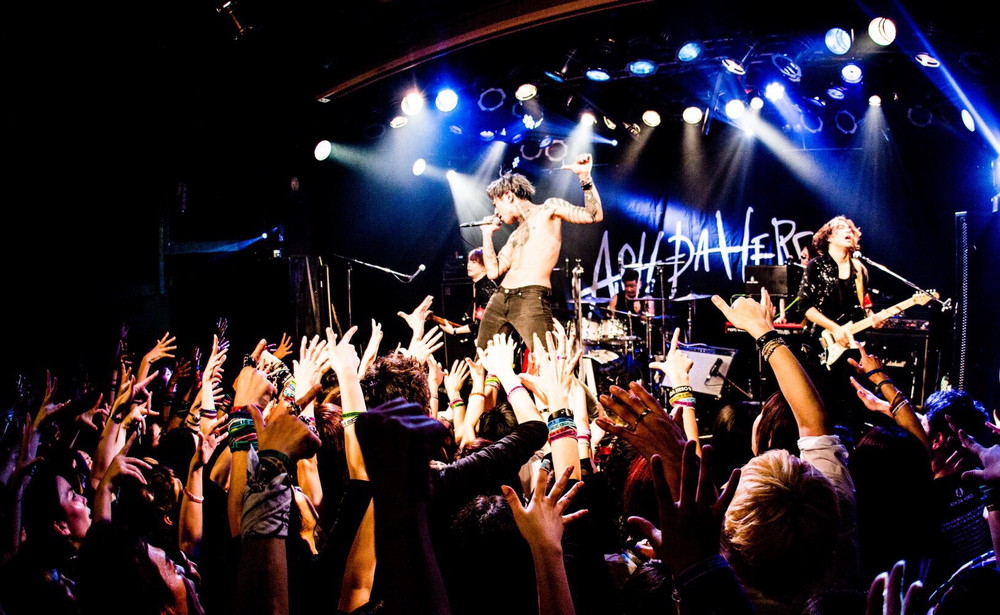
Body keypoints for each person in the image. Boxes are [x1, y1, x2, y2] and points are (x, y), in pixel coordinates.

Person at [475, 153, 603, 352]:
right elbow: (493, 271)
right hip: (500, 298)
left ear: (508, 196)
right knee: (483, 358)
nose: (495, 212)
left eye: (495, 204)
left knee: (547, 360)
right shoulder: (514, 236)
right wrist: (486, 234)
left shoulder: (549, 208)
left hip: (530, 297)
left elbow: (593, 215)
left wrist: (585, 177)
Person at [437, 248, 498, 350]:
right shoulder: (478, 286)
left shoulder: (486, 287)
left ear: (484, 267)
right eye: (469, 261)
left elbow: (482, 323)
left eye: (474, 262)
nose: (469, 265)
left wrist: (455, 331)